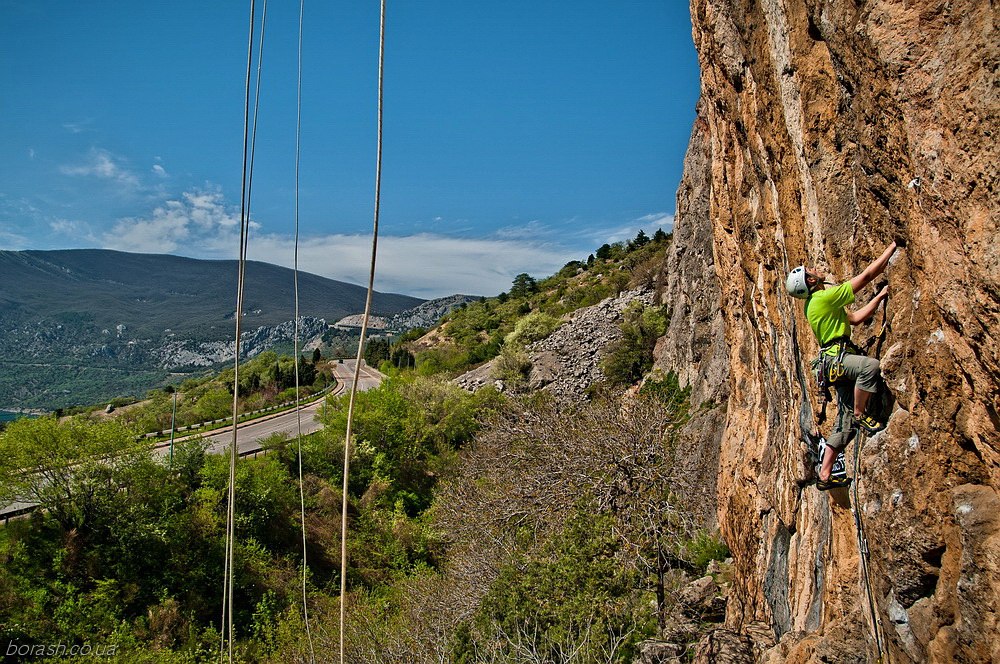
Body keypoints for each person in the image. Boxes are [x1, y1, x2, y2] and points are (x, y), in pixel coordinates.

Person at [786, 240, 900, 490]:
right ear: (812, 282)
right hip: (837, 360)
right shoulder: (824, 298)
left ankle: (825, 474)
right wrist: (892, 247)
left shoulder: (817, 304)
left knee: (844, 424)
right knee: (869, 366)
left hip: (833, 365)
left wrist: (880, 297)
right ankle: (861, 414)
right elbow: (868, 275)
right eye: (810, 271)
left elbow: (856, 318)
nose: (814, 269)